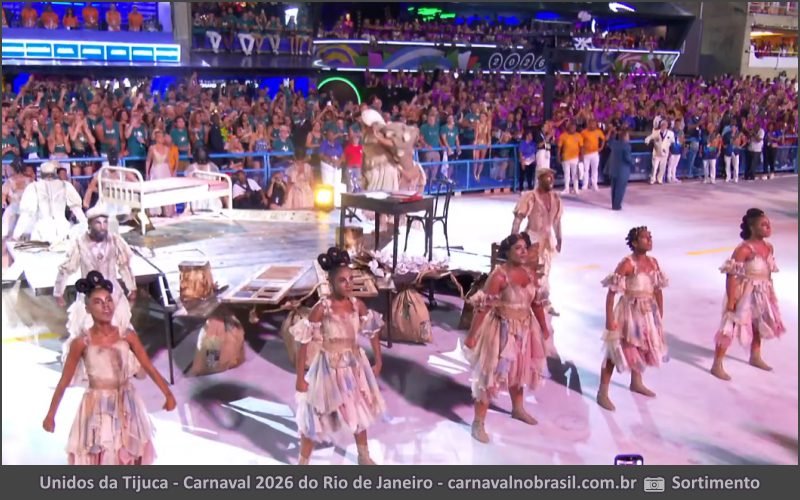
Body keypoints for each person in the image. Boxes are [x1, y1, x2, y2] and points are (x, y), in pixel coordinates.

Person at [42, 271, 176, 465]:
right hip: (98, 406)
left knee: (130, 452)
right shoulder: (82, 343)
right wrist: (51, 414)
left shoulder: (126, 335)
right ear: (87, 308)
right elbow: (64, 381)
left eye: (108, 300)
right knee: (103, 454)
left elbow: (148, 366)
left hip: (127, 403)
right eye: (98, 302)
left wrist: (168, 394)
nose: (106, 306)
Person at [291, 247, 385, 465]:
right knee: (316, 416)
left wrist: (378, 359)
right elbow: (303, 342)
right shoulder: (322, 308)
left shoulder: (356, 305)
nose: (348, 284)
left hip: (353, 366)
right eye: (342, 280)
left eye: (351, 279)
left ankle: (363, 455)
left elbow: (372, 330)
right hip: (328, 369)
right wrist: (299, 378)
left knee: (359, 409)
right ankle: (303, 462)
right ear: (331, 283)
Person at [464, 233, 549, 443]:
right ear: (507, 252)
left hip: (524, 330)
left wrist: (544, 328)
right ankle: (478, 422)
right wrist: (472, 335)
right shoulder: (499, 276)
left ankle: (518, 408)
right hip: (500, 331)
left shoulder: (531, 275)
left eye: (525, 248)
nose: (522, 252)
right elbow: (483, 308)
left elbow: (536, 303)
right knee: (490, 375)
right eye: (517, 248)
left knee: (519, 370)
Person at [54, 203, 139, 379]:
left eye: (105, 222)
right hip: (89, 294)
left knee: (119, 327)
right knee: (87, 329)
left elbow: (124, 266)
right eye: (98, 223)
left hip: (112, 292)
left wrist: (132, 287)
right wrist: (58, 291)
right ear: (90, 224)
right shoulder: (79, 243)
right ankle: (92, 369)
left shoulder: (115, 240)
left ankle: (122, 366)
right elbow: (66, 269)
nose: (102, 227)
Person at [597, 226, 669, 411]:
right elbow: (612, 293)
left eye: (650, 237)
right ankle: (602, 392)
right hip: (629, 312)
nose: (649, 240)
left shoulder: (653, 263)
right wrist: (609, 319)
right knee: (616, 351)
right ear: (635, 243)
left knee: (643, 345)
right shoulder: (627, 264)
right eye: (645, 238)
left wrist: (659, 313)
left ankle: (636, 382)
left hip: (647, 312)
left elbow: (658, 290)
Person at [710, 209, 785, 380]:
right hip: (744, 291)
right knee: (730, 325)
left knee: (759, 323)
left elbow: (768, 271)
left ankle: (755, 355)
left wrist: (769, 291)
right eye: (763, 225)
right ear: (752, 227)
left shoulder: (768, 247)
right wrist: (731, 299)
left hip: (762, 290)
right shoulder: (744, 249)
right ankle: (717, 363)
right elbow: (732, 274)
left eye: (769, 224)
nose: (768, 227)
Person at [511, 166, 563, 315]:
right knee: (531, 272)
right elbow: (518, 218)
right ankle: (527, 301)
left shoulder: (555, 198)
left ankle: (544, 301)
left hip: (547, 240)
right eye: (547, 177)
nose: (551, 180)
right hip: (532, 239)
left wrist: (559, 238)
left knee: (546, 271)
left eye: (552, 177)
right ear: (539, 179)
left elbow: (557, 221)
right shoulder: (530, 197)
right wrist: (513, 238)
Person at [12, 160, 86, 244]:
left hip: (43, 231)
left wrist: (16, 234)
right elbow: (77, 210)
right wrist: (86, 226)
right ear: (55, 172)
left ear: (41, 173)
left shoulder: (33, 187)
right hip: (62, 229)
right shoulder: (66, 185)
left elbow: (27, 214)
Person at [607, 129, 633, 211]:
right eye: (628, 136)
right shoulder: (626, 146)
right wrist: (634, 162)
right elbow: (627, 158)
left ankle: (614, 204)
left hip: (613, 170)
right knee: (620, 189)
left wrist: (612, 133)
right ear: (625, 136)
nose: (629, 138)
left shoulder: (614, 144)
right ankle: (617, 206)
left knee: (614, 188)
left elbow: (609, 141)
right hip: (622, 171)